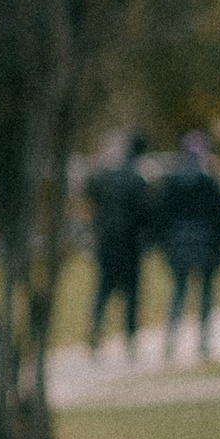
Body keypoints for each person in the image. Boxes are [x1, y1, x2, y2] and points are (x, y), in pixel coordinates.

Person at [155, 130, 220, 360]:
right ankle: (202, 341)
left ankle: (171, 340)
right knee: (205, 293)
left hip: (179, 243)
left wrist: (162, 241)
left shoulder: (173, 181)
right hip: (205, 243)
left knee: (179, 291)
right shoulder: (209, 180)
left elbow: (162, 215)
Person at [84, 130, 151, 356]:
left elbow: (90, 194)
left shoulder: (106, 176)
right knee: (131, 293)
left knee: (104, 289)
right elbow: (146, 213)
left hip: (107, 241)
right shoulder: (137, 178)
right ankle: (130, 339)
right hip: (130, 244)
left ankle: (96, 330)